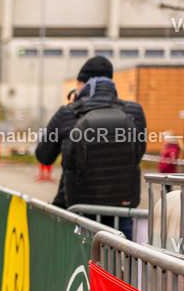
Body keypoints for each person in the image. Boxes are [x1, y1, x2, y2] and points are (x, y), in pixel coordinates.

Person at [35, 56, 146, 240]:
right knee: (117, 266)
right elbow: (137, 154)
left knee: (74, 267)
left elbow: (43, 156)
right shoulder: (133, 112)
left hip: (75, 213)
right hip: (121, 213)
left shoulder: (67, 114)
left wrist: (71, 108)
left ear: (83, 85)